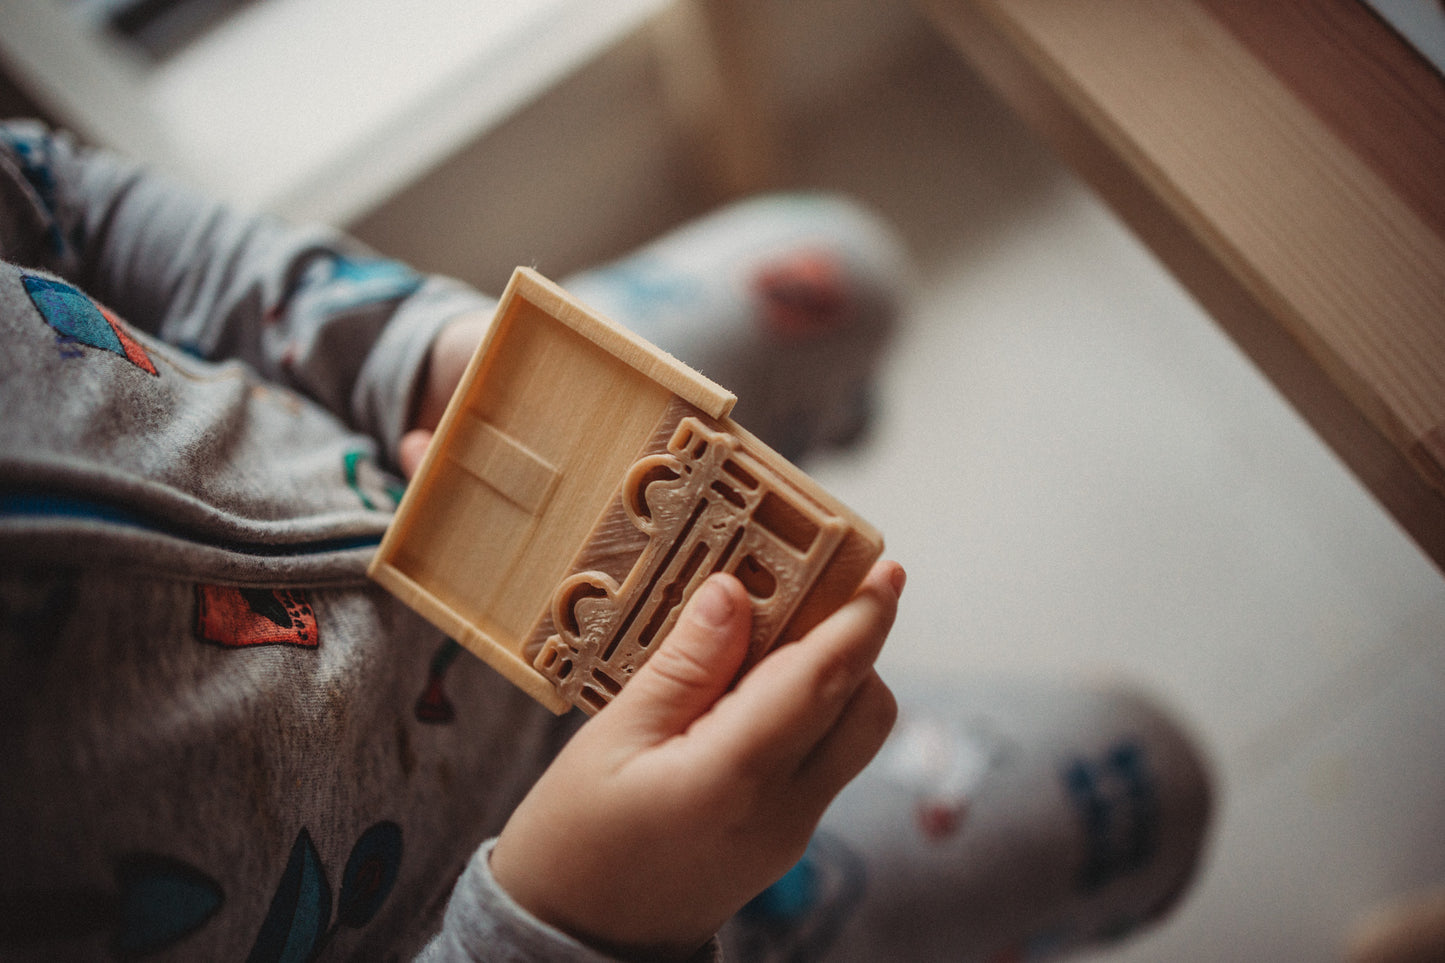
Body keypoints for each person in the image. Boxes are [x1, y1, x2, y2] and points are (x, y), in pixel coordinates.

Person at [0, 119, 1210, 962]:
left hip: (444, 472)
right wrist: (584, 923)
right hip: (525, 885)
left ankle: (819, 452)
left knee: (842, 267)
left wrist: (411, 352)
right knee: (1147, 786)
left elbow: (62, 201)